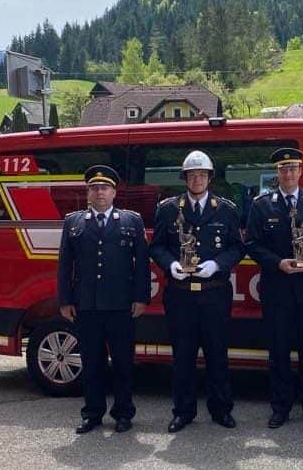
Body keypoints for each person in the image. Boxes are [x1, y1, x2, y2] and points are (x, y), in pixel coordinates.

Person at [150, 150, 245, 433]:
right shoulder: (169, 209)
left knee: (217, 354)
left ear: (209, 178)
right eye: (192, 175)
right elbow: (157, 246)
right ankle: (183, 411)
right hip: (180, 295)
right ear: (185, 178)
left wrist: (216, 264)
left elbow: (237, 248)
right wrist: (171, 265)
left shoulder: (225, 209)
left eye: (202, 175)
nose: (197, 180)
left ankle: (221, 409)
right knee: (183, 356)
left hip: (214, 293)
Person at [245, 147, 303, 428]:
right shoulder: (262, 205)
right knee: (279, 350)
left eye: (293, 168)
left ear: (300, 171)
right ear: (277, 173)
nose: (288, 173)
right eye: (283, 169)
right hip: (278, 288)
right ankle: (280, 406)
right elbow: (252, 244)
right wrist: (277, 263)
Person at [57, 165, 151, 434]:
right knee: (91, 362)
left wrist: (141, 298)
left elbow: (142, 265)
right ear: (88, 192)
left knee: (123, 362)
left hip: (121, 305)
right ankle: (92, 413)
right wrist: (65, 300)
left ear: (114, 192)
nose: (100, 192)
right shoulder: (73, 222)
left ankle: (123, 413)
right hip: (87, 305)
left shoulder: (132, 221)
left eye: (105, 188)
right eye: (95, 188)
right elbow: (65, 264)